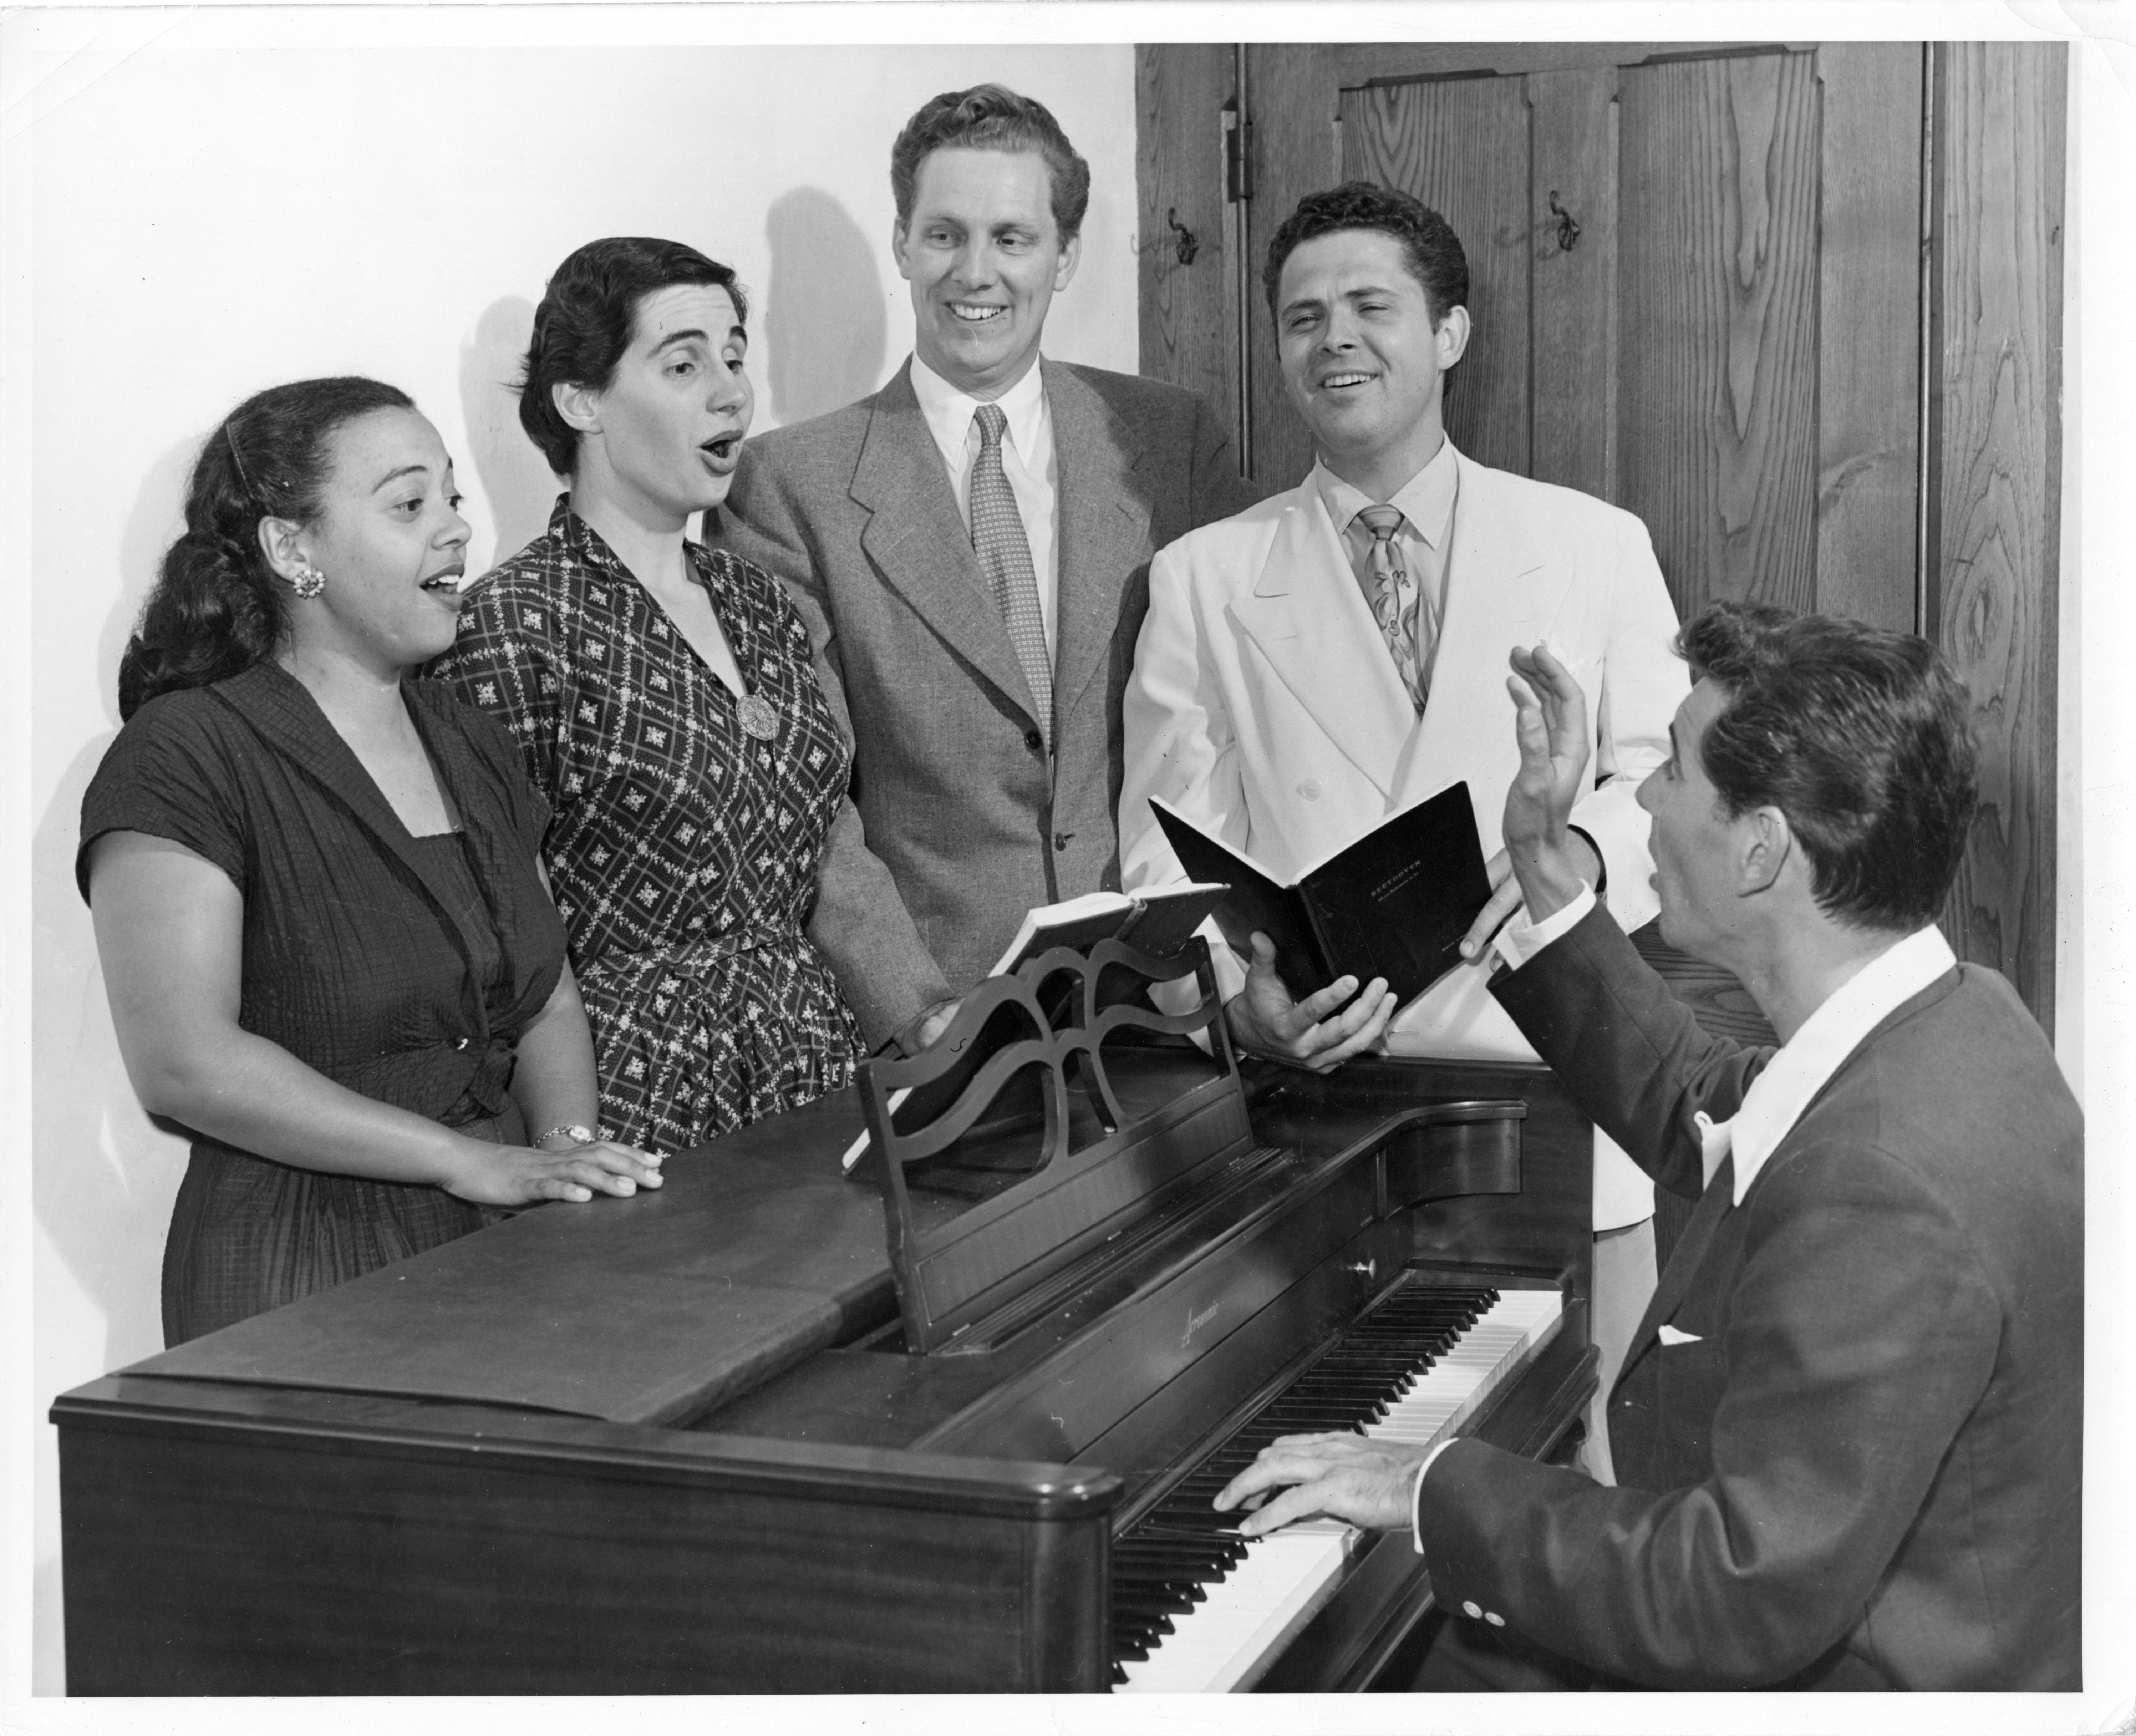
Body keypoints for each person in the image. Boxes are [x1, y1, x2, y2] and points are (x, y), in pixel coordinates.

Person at [1214, 606, 2083, 1691]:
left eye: (1668, 770)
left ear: (1760, 848)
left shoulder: (1879, 1185)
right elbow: (1708, 1107)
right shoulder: (1959, 1023)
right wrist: (1535, 858)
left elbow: (1731, 1592)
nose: (1641, 802)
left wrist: (1425, 1484)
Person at [1118, 181, 1688, 1478]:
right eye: (1302, 317)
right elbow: (1160, 851)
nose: (1334, 341)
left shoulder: (1590, 545)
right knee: (1341, 1488)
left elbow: (1664, 776)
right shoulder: (1203, 577)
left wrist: (1577, 858)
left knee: (1574, 1473)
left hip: (1549, 1076)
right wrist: (1236, 997)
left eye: (1371, 306)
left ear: (1449, 333)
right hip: (1324, 1103)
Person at [82, 378, 663, 1346]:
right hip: (302, 1271)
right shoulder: (184, 753)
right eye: (408, 505)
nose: (455, 533)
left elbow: (546, 989)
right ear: (292, 550)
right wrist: (459, 1159)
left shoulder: (465, 735)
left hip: (500, 1242)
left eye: (452, 499)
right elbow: (184, 1062)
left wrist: (566, 1157)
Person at [705, 83, 1260, 1057]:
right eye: (943, 235)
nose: (975, 272)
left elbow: (1245, 715)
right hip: (942, 1030)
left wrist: (1234, 963)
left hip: (1170, 1004)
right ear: (902, 244)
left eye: (1011, 238)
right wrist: (916, 1009)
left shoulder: (1170, 442)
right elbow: (805, 800)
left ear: (1065, 254)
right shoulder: (788, 485)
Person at [430, 239, 863, 1154]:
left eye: (736, 357)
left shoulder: (761, 601)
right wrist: (567, 1142)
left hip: (812, 1055)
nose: (732, 391)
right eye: (683, 363)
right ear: (581, 401)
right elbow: (499, 935)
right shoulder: (509, 628)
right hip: (637, 1090)